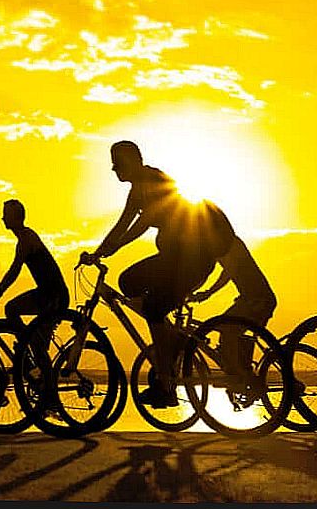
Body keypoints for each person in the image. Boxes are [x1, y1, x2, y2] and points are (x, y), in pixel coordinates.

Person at [81, 141, 231, 408]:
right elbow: (122, 225)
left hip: (190, 262)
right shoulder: (137, 190)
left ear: (135, 160)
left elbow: (144, 222)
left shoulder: (153, 179)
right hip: (174, 261)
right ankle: (170, 341)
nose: (114, 168)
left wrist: (112, 248)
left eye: (118, 162)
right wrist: (99, 252)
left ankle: (165, 380)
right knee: (129, 282)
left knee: (152, 308)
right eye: (113, 163)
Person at [188, 231, 277, 384]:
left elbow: (230, 270)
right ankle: (240, 374)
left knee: (227, 331)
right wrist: (189, 292)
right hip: (248, 299)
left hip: (258, 300)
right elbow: (205, 274)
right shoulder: (215, 245)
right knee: (226, 333)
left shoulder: (230, 242)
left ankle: (241, 379)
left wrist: (208, 293)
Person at [0, 199, 69, 330]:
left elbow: (14, 271)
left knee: (11, 309)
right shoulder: (25, 237)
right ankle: (26, 343)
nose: (2, 218)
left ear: (15, 217)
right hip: (49, 293)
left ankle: (24, 343)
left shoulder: (26, 240)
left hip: (53, 296)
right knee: (36, 340)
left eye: (6, 215)